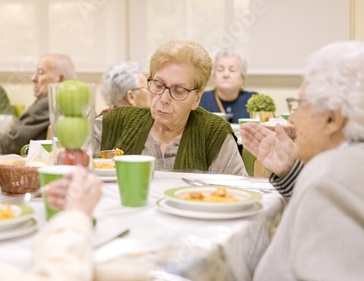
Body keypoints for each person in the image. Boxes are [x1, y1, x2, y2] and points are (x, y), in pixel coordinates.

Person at [252, 41, 364, 280]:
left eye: (300, 104)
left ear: (332, 120)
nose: (293, 116)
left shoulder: (329, 175)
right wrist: (291, 172)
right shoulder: (347, 162)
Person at [94, 40, 246, 175]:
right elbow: (74, 153)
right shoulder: (117, 121)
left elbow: (241, 191)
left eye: (178, 90)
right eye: (158, 85)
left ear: (196, 99)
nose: (164, 99)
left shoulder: (214, 134)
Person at [0, 54, 75, 154]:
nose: (33, 78)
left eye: (41, 73)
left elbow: (13, 141)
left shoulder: (50, 102)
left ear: (60, 79)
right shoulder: (71, 100)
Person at [200, 49, 257, 123]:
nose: (226, 75)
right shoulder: (200, 99)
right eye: (220, 70)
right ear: (214, 75)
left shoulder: (254, 100)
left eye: (232, 70)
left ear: (243, 77)